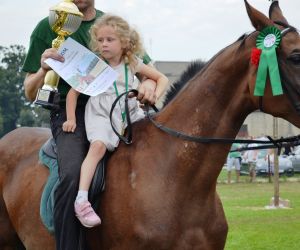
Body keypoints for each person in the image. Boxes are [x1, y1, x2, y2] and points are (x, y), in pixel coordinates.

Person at [22, 1, 158, 249]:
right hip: (69, 109)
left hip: (118, 106)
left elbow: (145, 69)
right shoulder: (46, 27)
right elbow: (30, 91)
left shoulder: (111, 24)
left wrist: (148, 83)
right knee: (72, 173)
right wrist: (43, 69)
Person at [62, 14, 168, 227]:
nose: (104, 44)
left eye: (110, 40)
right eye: (100, 40)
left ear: (125, 42)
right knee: (99, 146)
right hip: (102, 113)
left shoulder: (132, 63)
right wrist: (71, 119)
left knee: (152, 140)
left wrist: (154, 94)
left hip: (129, 113)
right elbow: (72, 94)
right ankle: (82, 199)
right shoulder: (93, 65)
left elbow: (162, 78)